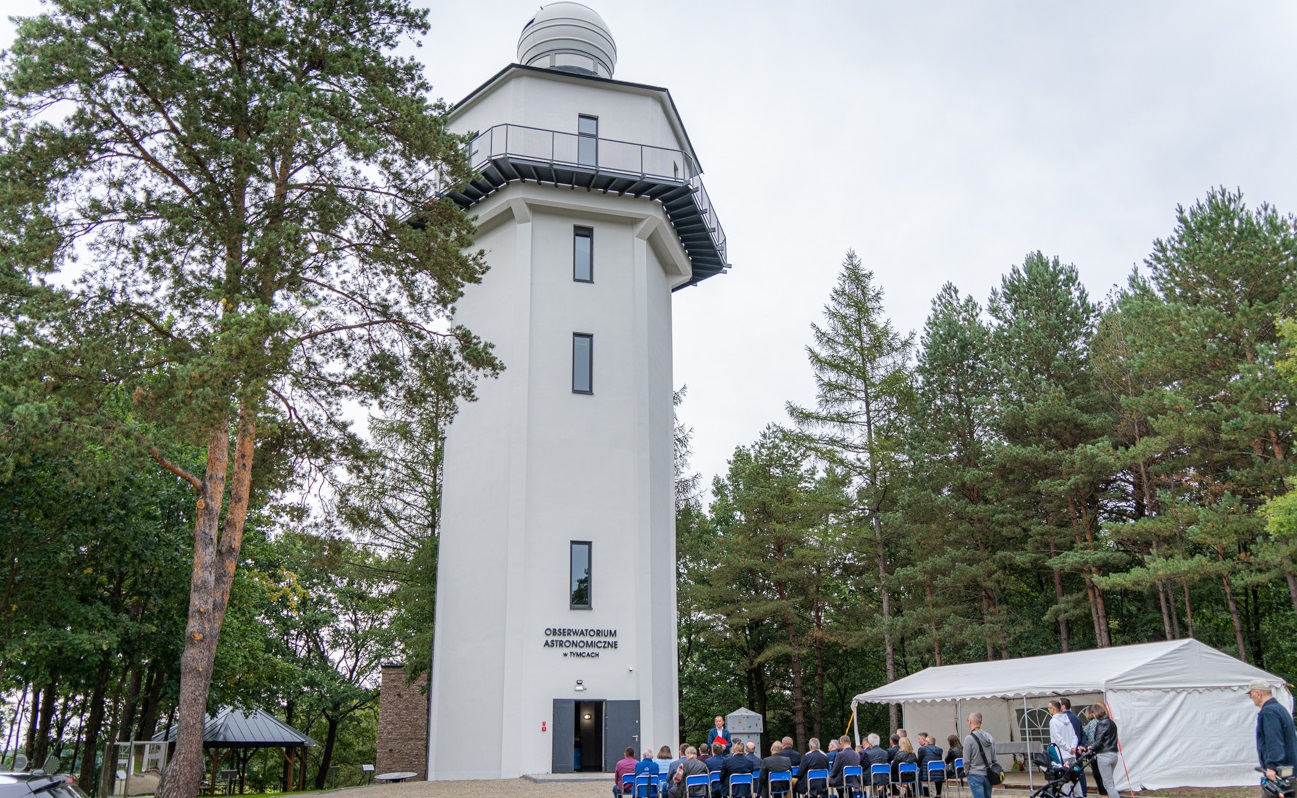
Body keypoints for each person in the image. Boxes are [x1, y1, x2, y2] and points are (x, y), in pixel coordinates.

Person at [1250, 679, 1297, 783]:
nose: (1250, 697)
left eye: (1251, 694)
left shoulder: (1268, 712)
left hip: (1281, 772)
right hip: (1289, 769)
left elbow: (1274, 740)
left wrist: (1272, 766)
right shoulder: (1280, 708)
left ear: (1258, 693)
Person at [1086, 703, 1121, 798]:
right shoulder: (1112, 722)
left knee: (1108, 785)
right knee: (1110, 783)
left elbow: (1098, 742)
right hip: (1114, 754)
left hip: (1104, 755)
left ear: (1095, 713)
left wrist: (1090, 747)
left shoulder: (1101, 724)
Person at [963, 713, 998, 798]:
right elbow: (994, 758)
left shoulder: (969, 738)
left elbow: (966, 760)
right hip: (988, 773)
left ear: (970, 721)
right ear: (981, 722)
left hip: (974, 773)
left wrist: (966, 772)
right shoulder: (989, 737)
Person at [1060, 698, 1088, 797]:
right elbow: (1083, 734)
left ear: (1063, 706)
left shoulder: (1061, 718)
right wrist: (1081, 746)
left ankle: (1069, 794)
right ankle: (1083, 793)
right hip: (1077, 749)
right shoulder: (1076, 718)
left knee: (1066, 773)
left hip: (1068, 750)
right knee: (1079, 772)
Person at [1080, 709, 1105, 798]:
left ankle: (1102, 793)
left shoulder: (1092, 723)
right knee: (1101, 773)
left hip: (1094, 751)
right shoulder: (1101, 722)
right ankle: (1103, 792)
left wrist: (1086, 747)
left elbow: (1089, 737)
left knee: (1097, 773)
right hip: (1101, 751)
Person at [1048, 700, 1078, 766]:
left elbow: (1058, 739)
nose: (1048, 710)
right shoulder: (1067, 719)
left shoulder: (1053, 721)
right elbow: (1074, 736)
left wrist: (1069, 749)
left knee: (1062, 775)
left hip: (1060, 754)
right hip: (1072, 755)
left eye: (1049, 708)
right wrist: (1073, 747)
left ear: (1053, 709)